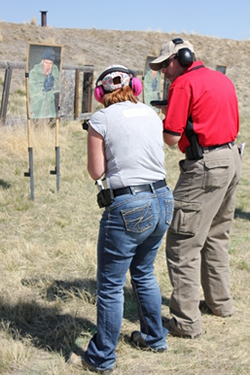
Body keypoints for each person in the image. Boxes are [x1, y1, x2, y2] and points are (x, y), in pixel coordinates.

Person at [68, 65, 174, 373]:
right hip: (163, 199)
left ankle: (101, 357)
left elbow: (96, 172)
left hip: (130, 203)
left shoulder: (101, 119)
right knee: (143, 272)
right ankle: (155, 337)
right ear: (136, 87)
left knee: (111, 285)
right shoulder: (151, 115)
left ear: (101, 93)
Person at [150, 38, 242, 339]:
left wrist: (164, 116)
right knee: (217, 235)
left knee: (182, 242)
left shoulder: (183, 84)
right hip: (231, 159)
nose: (164, 70)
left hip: (204, 165)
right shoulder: (221, 79)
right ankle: (220, 303)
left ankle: (185, 322)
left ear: (184, 58)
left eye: (166, 63)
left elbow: (171, 138)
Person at [29, 47, 60, 119]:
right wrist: (43, 87)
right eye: (46, 63)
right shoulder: (34, 72)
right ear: (42, 62)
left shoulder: (55, 70)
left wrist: (53, 83)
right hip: (37, 110)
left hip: (51, 111)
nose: (48, 66)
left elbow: (59, 87)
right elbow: (31, 89)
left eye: (50, 63)